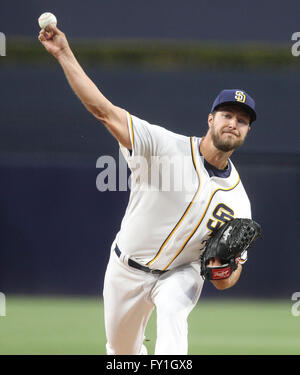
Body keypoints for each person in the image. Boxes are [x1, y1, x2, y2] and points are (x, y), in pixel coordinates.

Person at [38, 25, 257, 355]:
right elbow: (103, 110)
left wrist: (225, 271)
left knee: (172, 312)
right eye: (227, 115)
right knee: (121, 353)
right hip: (126, 268)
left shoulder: (239, 202)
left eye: (242, 120)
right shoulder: (164, 147)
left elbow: (228, 278)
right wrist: (63, 53)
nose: (233, 123)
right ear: (211, 119)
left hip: (180, 274)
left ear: (247, 131)